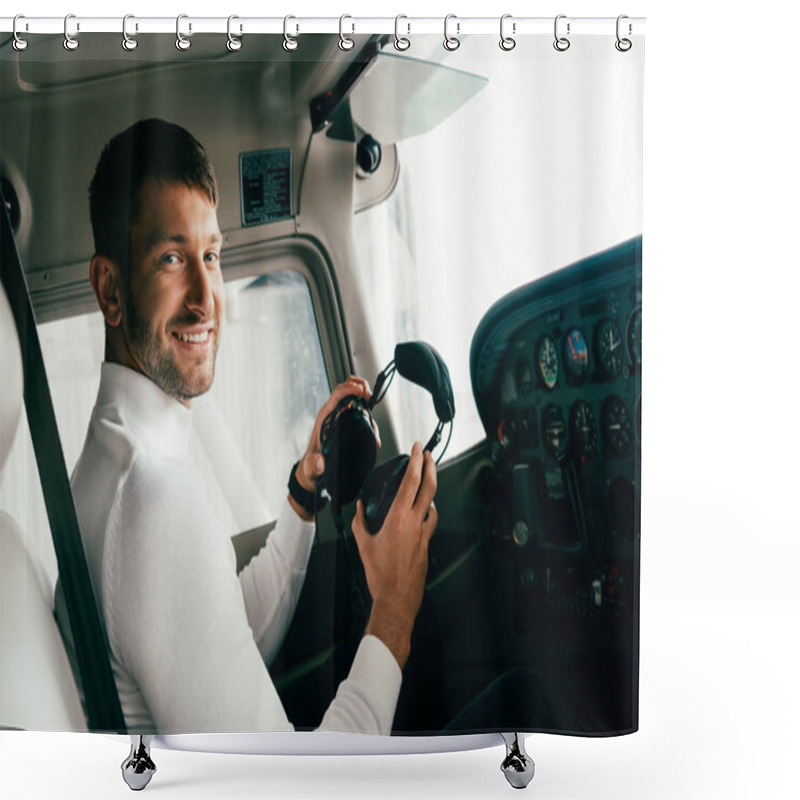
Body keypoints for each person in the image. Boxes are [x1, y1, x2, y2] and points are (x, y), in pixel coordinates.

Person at [70, 118, 438, 735]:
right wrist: (395, 612)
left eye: (209, 256)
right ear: (111, 290)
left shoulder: (115, 456)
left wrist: (302, 492)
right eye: (170, 258)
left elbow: (225, 634)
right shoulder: (150, 493)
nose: (204, 296)